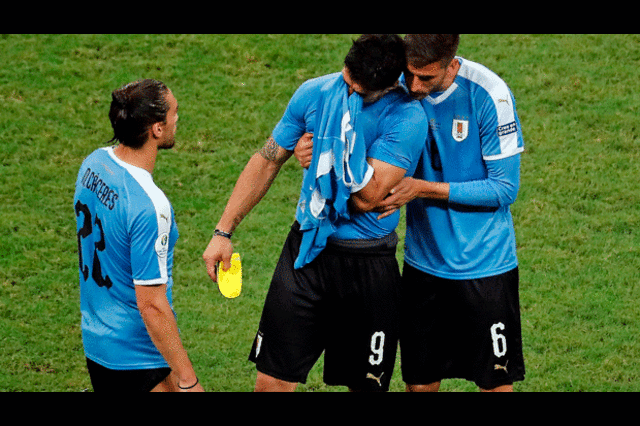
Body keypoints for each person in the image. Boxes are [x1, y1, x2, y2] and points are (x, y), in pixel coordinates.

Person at [202, 34, 428, 392]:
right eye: (345, 80)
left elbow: (368, 198)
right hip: (305, 255)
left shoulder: (407, 118)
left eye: (358, 91)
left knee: (366, 386)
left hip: (368, 265)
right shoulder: (315, 92)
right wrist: (223, 231)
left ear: (387, 86)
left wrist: (324, 154)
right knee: (270, 383)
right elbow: (266, 159)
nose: (347, 94)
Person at [377, 34, 526, 392]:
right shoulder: (393, 88)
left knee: (494, 384)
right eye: (410, 74)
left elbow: (504, 188)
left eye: (425, 78)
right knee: (420, 384)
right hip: (422, 268)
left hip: (485, 268)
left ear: (452, 65)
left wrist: (423, 188)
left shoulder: (489, 94)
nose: (414, 86)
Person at [74, 79, 204, 392]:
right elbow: (152, 305)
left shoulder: (93, 164)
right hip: (137, 354)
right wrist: (187, 380)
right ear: (156, 129)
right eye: (173, 113)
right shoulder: (150, 206)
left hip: (97, 340)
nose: (177, 119)